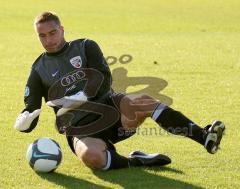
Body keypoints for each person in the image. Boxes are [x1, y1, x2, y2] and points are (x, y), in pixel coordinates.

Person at [14, 11, 225, 171]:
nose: (49, 40)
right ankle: (135, 161)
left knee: (144, 101)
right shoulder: (38, 69)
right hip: (80, 129)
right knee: (92, 158)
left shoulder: (85, 46)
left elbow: (104, 78)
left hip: (111, 111)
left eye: (52, 33)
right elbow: (31, 110)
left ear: (62, 29)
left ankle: (204, 136)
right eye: (42, 36)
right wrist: (24, 122)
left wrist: (83, 96)